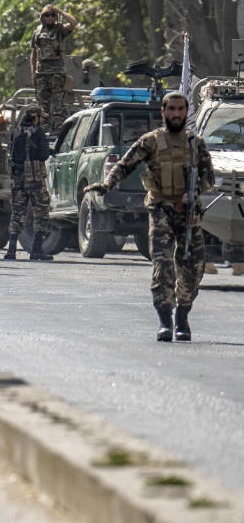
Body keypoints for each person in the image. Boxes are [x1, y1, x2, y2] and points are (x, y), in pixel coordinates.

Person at [88, 91, 215, 342]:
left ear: (187, 111)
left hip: (189, 212)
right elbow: (125, 165)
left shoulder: (195, 142)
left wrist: (195, 191)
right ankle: (165, 321)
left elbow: (208, 176)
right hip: (160, 210)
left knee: (193, 267)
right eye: (171, 109)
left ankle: (183, 317)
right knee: (163, 264)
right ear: (163, 111)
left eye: (180, 109)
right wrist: (106, 185)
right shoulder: (151, 141)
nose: (176, 114)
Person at [3, 106, 53, 261]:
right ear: (35, 117)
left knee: (17, 212)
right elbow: (44, 155)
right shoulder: (38, 133)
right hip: (36, 179)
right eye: (41, 117)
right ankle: (36, 250)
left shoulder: (16, 131)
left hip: (18, 179)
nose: (42, 120)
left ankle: (11, 251)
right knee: (41, 211)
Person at [31, 4, 78, 131]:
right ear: (42, 17)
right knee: (42, 106)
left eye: (52, 15)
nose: (50, 18)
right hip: (42, 73)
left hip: (57, 72)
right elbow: (34, 53)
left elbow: (74, 22)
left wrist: (60, 11)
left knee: (58, 105)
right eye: (47, 15)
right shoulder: (37, 32)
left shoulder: (60, 30)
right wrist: (33, 72)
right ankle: (43, 131)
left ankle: (59, 132)